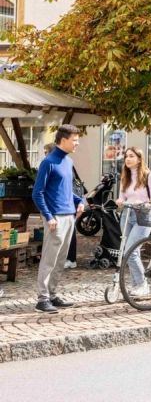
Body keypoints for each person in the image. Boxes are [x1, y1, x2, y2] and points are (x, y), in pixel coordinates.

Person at [32, 125, 85, 313]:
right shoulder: (49, 162)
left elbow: (67, 191)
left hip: (69, 216)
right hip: (55, 218)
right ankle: (42, 299)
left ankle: (52, 295)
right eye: (75, 140)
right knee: (49, 259)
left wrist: (80, 201)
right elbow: (37, 193)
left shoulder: (68, 162)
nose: (77, 143)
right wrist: (48, 216)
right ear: (63, 140)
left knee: (61, 259)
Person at [115, 147, 151, 297]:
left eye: (131, 156)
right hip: (127, 214)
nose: (128, 159)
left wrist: (144, 205)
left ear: (139, 159)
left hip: (143, 215)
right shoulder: (125, 177)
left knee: (130, 251)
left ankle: (142, 285)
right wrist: (120, 201)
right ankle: (136, 286)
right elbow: (122, 197)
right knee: (129, 252)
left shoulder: (148, 176)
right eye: (126, 156)